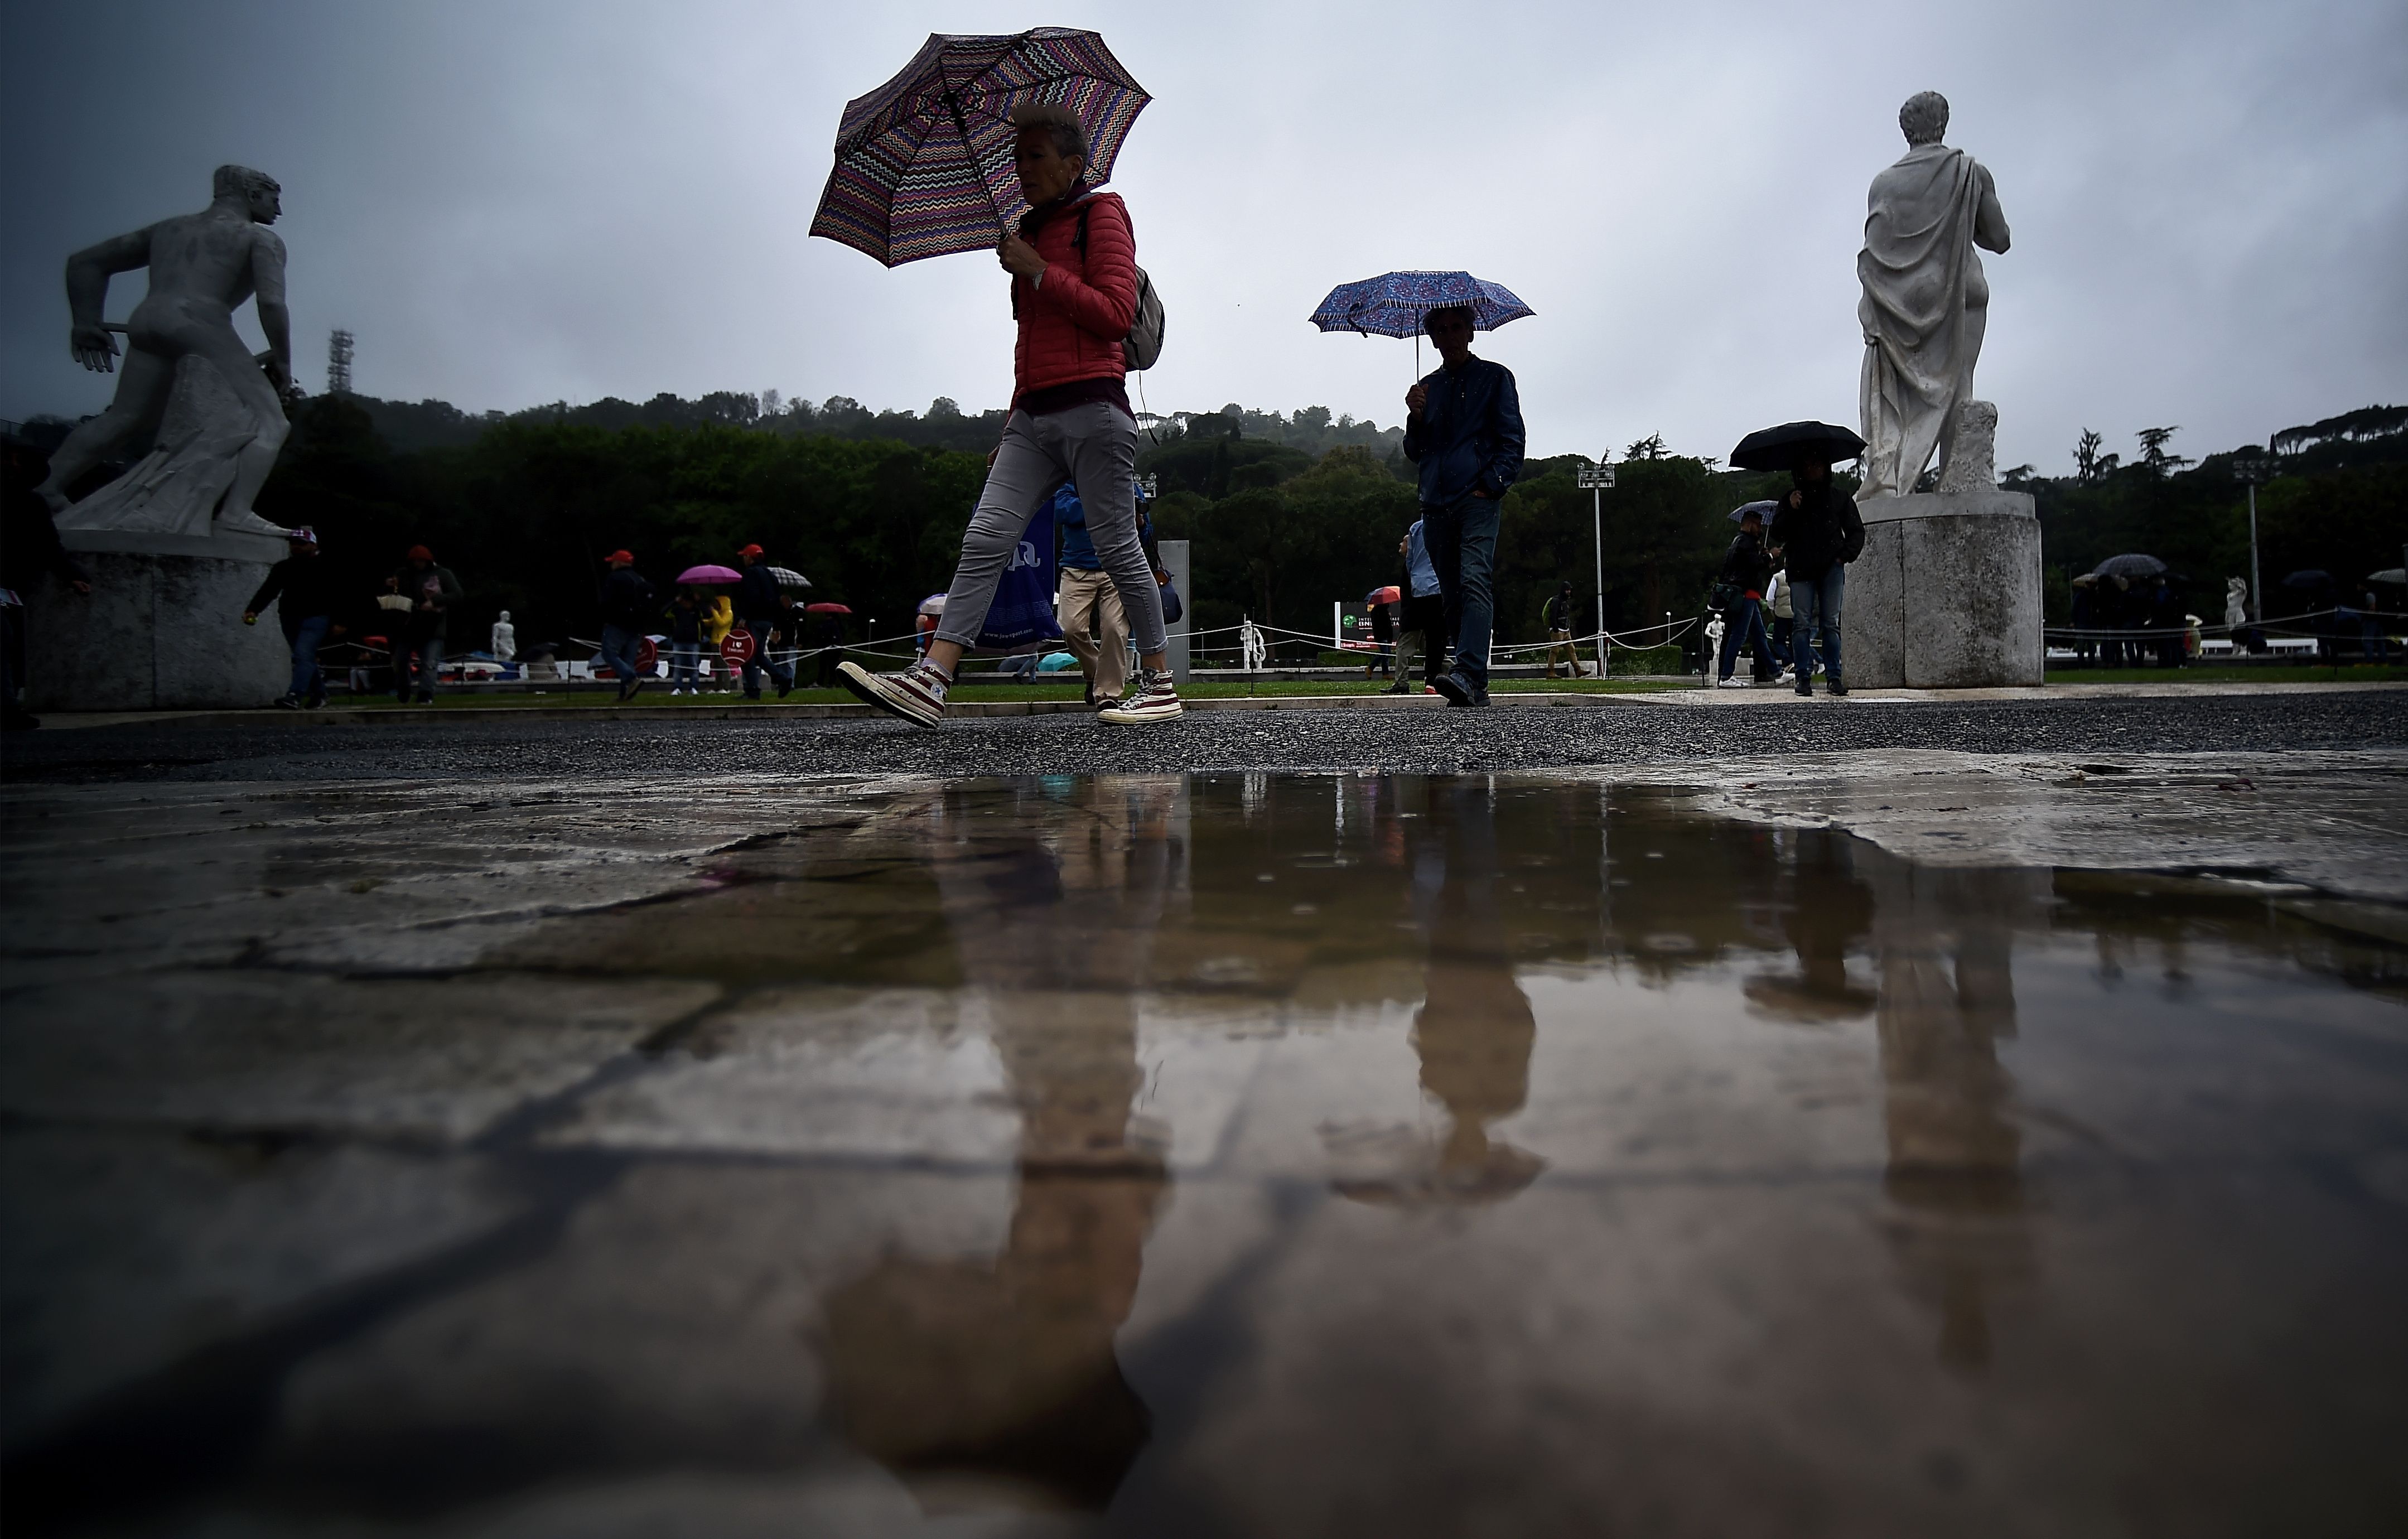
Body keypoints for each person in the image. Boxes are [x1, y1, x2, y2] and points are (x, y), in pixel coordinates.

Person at [841, 103, 1179, 727]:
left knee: (1117, 548)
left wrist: (1039, 271)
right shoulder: (1023, 231)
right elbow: (1028, 348)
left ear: (1074, 164)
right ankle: (933, 679)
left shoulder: (1102, 212)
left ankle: (1158, 682)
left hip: (1095, 408)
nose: (1021, 168)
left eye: (1035, 156)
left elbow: (1112, 314)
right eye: (1016, 157)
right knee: (986, 536)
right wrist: (1011, 426)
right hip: (1034, 416)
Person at [1402, 305, 1525, 707]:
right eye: (1441, 330)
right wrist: (1415, 417)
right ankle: (1474, 684)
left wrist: (1490, 486)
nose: (1450, 336)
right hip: (1435, 503)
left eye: (1458, 328)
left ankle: (1469, 671)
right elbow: (1415, 452)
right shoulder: (1426, 388)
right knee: (1451, 594)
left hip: (1476, 500)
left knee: (1474, 578)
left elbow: (1512, 440)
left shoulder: (1495, 377)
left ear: (1471, 333)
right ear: (1433, 338)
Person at [2, 442, 94, 729]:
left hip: (10, 586)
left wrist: (72, 574)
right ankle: (7, 707)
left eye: (17, 460)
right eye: (8, 459)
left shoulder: (31, 504)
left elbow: (48, 545)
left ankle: (8, 703)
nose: (12, 465)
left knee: (10, 641)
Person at [1768, 459, 1864, 696]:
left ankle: (1834, 676)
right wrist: (1791, 508)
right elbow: (1778, 532)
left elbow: (1856, 530)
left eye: (1817, 464)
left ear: (1825, 468)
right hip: (1801, 568)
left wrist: (1844, 557)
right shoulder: (1790, 498)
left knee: (1831, 623)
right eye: (1809, 465)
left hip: (1831, 567)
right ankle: (1803, 676)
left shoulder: (1838, 496)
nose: (1813, 469)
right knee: (1801, 623)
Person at [243, 525, 346, 708]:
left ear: (313, 545)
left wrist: (341, 621)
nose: (296, 547)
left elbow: (340, 595)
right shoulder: (283, 567)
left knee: (303, 654)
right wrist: (254, 609)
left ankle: (295, 695)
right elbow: (269, 590)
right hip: (289, 617)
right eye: (293, 543)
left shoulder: (327, 566)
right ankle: (321, 694)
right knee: (304, 657)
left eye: (302, 544)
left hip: (317, 616)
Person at [1053, 482, 1129, 708]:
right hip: (1076, 567)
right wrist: (1105, 504)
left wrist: (1142, 524)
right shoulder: (1069, 483)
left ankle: (1108, 696)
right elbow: (1063, 512)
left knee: (1116, 629)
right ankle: (1096, 673)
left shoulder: (1126, 483)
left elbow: (1145, 529)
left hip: (1116, 567)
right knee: (1070, 628)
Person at [387, 544, 461, 703]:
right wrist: (392, 586)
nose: (418, 564)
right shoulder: (403, 574)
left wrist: (435, 601)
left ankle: (425, 694)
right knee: (400, 660)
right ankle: (403, 689)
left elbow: (457, 594)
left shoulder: (442, 574)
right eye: (415, 561)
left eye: (421, 561)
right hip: (407, 625)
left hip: (433, 625)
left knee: (429, 662)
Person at [1715, 507, 1778, 688]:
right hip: (1746, 593)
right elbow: (1754, 565)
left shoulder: (1739, 542)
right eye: (1758, 525)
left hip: (1744, 593)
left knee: (1758, 635)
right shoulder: (1746, 543)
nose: (1760, 529)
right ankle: (1727, 675)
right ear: (1750, 524)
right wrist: (1770, 556)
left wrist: (1763, 556)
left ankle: (1776, 672)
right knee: (1740, 635)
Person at [733, 543, 793, 699]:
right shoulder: (770, 575)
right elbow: (777, 600)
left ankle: (752, 690)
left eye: (745, 557)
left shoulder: (751, 574)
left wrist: (744, 617)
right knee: (759, 655)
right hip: (768, 620)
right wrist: (777, 624)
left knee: (747, 655)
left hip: (753, 619)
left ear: (749, 558)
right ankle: (783, 678)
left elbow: (751, 598)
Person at [594, 549, 655, 702]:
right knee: (628, 660)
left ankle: (631, 679)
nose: (612, 565)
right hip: (637, 626)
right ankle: (625, 693)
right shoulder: (639, 580)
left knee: (609, 654)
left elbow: (607, 602)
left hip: (618, 623)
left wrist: (605, 618)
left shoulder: (614, 578)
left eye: (613, 562)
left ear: (619, 563)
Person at [1391, 523, 1445, 694]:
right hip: (1438, 585)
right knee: (1437, 639)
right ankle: (1433, 680)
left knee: (1426, 642)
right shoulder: (1448, 524)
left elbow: (1411, 560)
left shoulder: (1416, 528)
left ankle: (1414, 682)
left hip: (1420, 588)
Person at [665, 587, 704, 694]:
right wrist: (675, 602)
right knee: (678, 666)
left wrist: (699, 601)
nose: (686, 604)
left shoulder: (696, 611)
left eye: (689, 601)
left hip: (694, 642)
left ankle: (694, 687)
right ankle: (678, 688)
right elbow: (664, 612)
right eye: (684, 601)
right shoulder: (677, 611)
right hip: (678, 642)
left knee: (694, 666)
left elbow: (707, 613)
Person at [1542, 582, 1585, 679]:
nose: (1569, 592)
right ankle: (1550, 671)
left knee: (1571, 650)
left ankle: (1578, 670)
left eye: (1569, 590)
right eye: (1567, 590)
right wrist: (1555, 628)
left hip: (1566, 631)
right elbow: (1553, 615)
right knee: (1554, 651)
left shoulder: (1565, 602)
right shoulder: (1556, 601)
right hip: (1558, 631)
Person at [1767, 567, 1798, 682]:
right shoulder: (1797, 576)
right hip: (1795, 613)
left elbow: (1770, 597)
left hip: (1781, 614)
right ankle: (1796, 666)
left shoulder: (1777, 577)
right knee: (1794, 641)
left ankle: (1788, 662)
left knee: (1778, 641)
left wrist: (1773, 609)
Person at [1367, 595, 1394, 679]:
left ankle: (1385, 674)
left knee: (1386, 654)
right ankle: (1371, 668)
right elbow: (1380, 625)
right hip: (1381, 636)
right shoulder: (1377, 611)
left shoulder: (1384, 611)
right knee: (1384, 654)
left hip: (1387, 636)